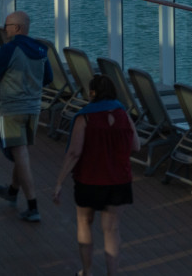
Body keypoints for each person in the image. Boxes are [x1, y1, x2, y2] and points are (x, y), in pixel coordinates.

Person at [54, 74, 140, 276]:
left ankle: (87, 271)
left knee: (85, 223)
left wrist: (59, 182)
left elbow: (74, 153)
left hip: (89, 180)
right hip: (119, 181)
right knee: (112, 231)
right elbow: (136, 145)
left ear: (92, 93)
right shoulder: (123, 115)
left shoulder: (85, 117)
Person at [0, 10, 52, 222]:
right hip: (33, 110)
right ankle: (12, 191)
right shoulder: (41, 49)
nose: (5, 29)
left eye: (7, 25)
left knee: (21, 155)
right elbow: (48, 78)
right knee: (22, 152)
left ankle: (33, 206)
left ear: (17, 28)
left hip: (11, 110)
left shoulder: (9, 49)